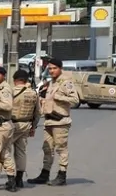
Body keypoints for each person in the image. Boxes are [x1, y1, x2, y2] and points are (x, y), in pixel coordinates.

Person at [28, 57, 80, 186]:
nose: (51, 71)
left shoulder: (66, 82)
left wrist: (57, 97)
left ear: (60, 68)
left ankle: (62, 175)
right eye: (50, 68)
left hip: (60, 121)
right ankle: (44, 174)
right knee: (47, 148)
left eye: (54, 68)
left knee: (61, 149)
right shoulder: (51, 83)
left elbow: (75, 100)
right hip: (49, 121)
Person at [11, 68, 41, 188]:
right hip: (26, 124)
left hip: (13, 124)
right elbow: (38, 112)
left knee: (3, 150)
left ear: (15, 80)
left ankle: (0, 177)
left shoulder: (12, 91)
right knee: (21, 152)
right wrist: (33, 126)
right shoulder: (33, 93)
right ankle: (19, 179)